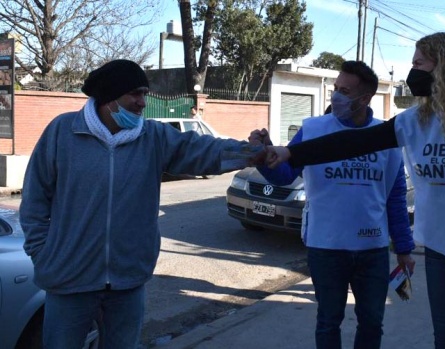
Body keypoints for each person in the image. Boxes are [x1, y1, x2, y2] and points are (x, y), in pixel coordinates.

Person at [266, 33, 445, 349]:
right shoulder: (416, 120)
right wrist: (292, 153)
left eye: (418, 63)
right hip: (443, 249)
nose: (412, 72)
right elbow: (354, 142)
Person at [19, 59, 264, 349]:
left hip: (128, 281)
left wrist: (252, 152)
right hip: (68, 281)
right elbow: (35, 200)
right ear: (109, 98)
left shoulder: (153, 137)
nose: (142, 103)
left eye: (145, 94)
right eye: (135, 94)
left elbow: (200, 150)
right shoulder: (63, 132)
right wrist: (43, 255)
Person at [250, 60, 415, 349]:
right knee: (328, 320)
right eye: (335, 88)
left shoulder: (385, 137)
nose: (336, 95)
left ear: (365, 99)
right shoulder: (314, 130)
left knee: (372, 321)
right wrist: (264, 155)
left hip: (372, 250)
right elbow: (286, 175)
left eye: (344, 91)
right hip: (326, 247)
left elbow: (395, 197)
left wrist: (403, 248)